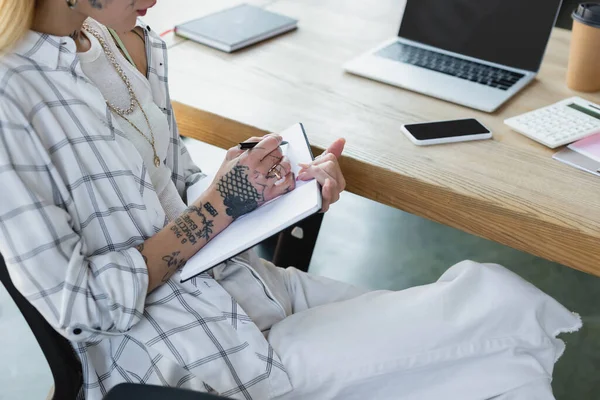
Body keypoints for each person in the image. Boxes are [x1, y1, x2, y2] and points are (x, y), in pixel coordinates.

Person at [0, 1, 582, 399]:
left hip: (247, 287)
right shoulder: (10, 95)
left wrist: (272, 183)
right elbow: (79, 309)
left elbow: (176, 194)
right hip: (188, 349)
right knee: (502, 309)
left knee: (502, 365)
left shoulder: (112, 39)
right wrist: (223, 205)